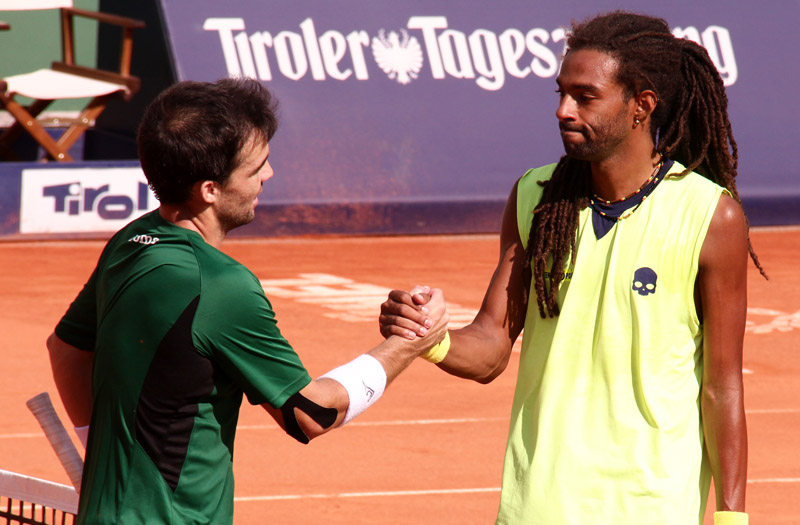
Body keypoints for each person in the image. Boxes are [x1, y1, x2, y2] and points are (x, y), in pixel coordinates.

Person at [380, 11, 765, 525]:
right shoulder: (535, 198)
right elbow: (491, 346)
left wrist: (733, 517)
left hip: (654, 508)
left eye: (585, 97)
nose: (563, 110)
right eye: (561, 93)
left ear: (641, 105)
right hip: (540, 506)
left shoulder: (710, 216)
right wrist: (431, 338)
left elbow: (722, 387)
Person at [45, 77, 447, 524]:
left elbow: (65, 349)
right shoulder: (220, 286)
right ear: (209, 189)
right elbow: (312, 413)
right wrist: (408, 343)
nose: (268, 175)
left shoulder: (130, 242)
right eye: (256, 168)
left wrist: (107, 463)